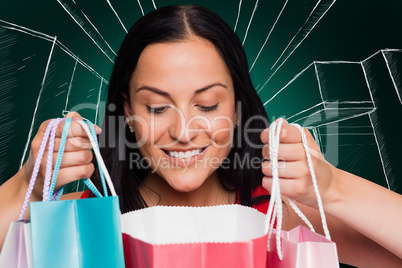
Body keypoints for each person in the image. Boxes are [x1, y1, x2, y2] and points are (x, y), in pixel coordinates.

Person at [0, 4, 401, 267]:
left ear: (237, 107)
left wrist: (332, 189)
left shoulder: (279, 217)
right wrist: (25, 187)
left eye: (207, 105)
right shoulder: (84, 220)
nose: (183, 132)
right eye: (157, 107)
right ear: (127, 112)